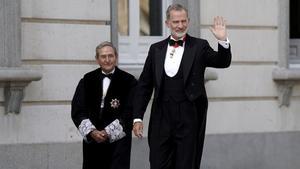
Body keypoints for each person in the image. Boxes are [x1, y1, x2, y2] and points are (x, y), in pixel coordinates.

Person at [132, 3, 231, 169]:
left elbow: (223, 62)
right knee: (157, 163)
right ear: (167, 23)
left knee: (186, 164)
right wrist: (137, 117)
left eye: (183, 21)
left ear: (188, 21)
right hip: (161, 117)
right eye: (176, 22)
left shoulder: (199, 46)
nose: (180, 25)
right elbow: (144, 85)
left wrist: (222, 41)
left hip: (188, 117)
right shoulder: (156, 49)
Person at [71, 41, 137, 169]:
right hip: (93, 141)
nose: (107, 60)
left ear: (116, 57)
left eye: (110, 56)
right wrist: (92, 131)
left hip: (118, 143)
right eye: (103, 56)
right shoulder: (87, 80)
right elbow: (77, 109)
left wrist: (108, 132)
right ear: (97, 59)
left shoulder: (129, 81)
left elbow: (130, 111)